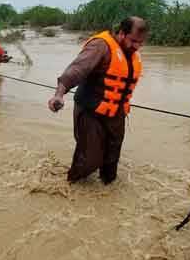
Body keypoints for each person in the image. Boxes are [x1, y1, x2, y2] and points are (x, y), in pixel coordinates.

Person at [48, 17, 147, 184]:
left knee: (111, 162)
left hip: (116, 114)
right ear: (122, 33)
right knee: (89, 159)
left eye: (141, 43)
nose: (137, 46)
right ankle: (72, 187)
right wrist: (59, 94)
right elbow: (76, 70)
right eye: (134, 41)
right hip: (90, 112)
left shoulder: (130, 52)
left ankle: (107, 197)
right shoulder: (100, 46)